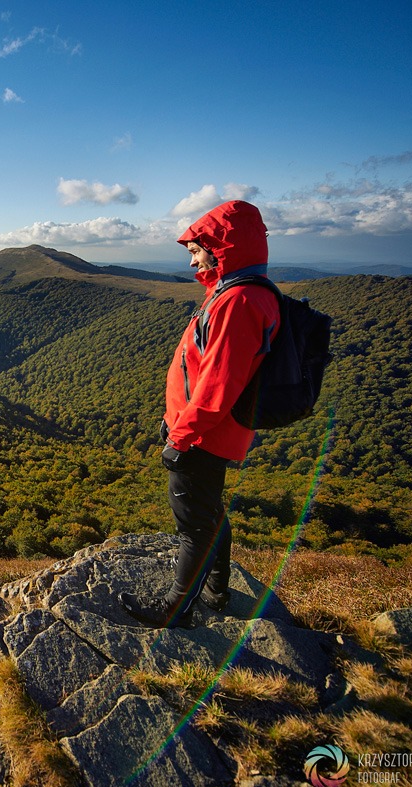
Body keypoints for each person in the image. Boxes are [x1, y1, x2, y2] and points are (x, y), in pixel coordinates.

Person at [119, 200, 280, 628]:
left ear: (219, 246)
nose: (192, 259)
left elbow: (217, 385)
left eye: (196, 250)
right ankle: (217, 589)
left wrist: (182, 436)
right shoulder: (233, 292)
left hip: (204, 434)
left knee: (193, 523)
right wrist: (176, 419)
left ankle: (175, 609)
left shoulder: (239, 300)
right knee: (209, 510)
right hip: (205, 429)